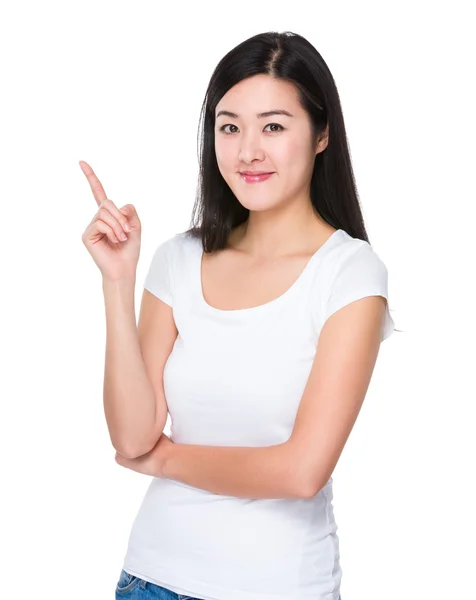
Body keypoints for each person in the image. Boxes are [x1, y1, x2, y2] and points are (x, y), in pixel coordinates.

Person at [81, 30, 396, 600]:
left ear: (322, 134)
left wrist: (168, 459)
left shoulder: (349, 273)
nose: (248, 150)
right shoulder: (177, 259)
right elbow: (131, 435)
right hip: (153, 579)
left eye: (273, 126)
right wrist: (118, 282)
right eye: (230, 127)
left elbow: (302, 472)